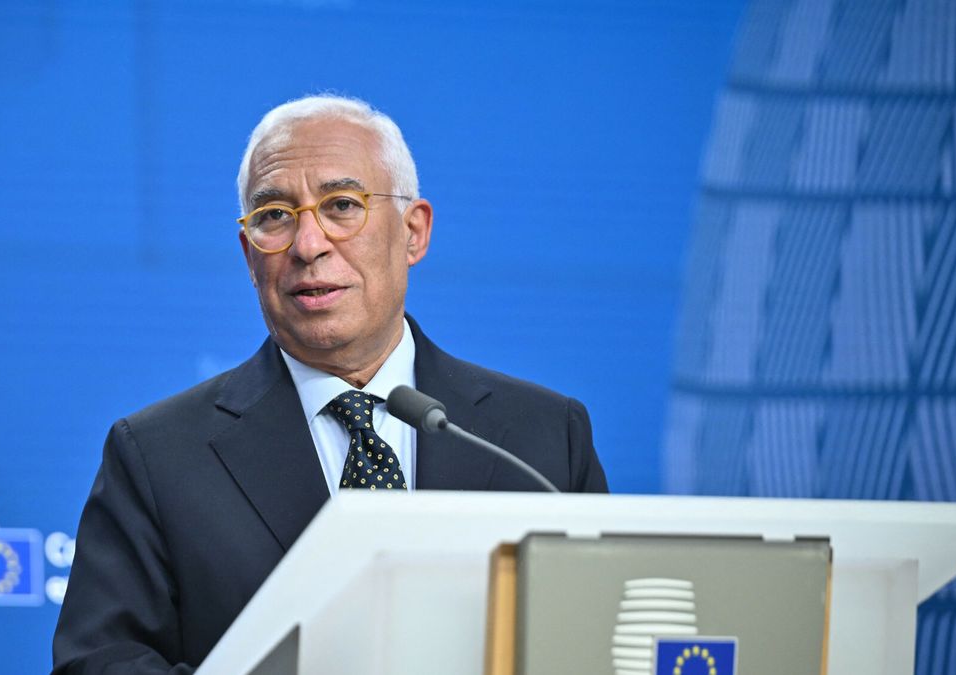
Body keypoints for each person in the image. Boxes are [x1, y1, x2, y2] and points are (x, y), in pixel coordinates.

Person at [51, 95, 607, 674]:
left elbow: (606, 642)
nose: (308, 245)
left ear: (413, 232)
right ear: (249, 255)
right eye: (274, 217)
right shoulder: (158, 456)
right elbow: (99, 664)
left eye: (342, 206)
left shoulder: (542, 438)